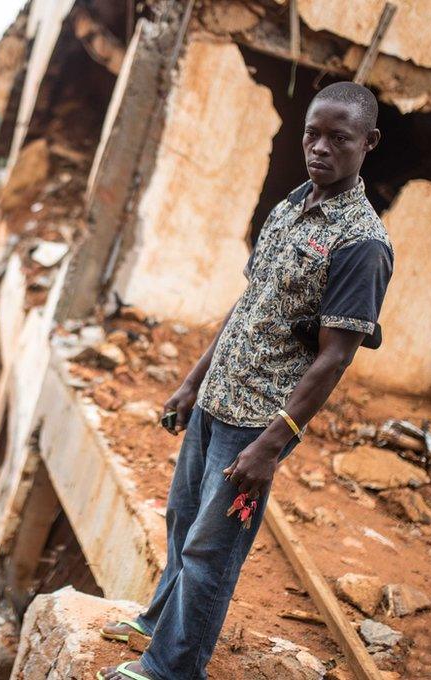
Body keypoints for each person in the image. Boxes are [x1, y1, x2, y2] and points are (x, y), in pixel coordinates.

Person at [96, 81, 395, 680]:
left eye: (339, 139)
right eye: (312, 134)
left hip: (256, 423)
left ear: (369, 143)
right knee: (182, 524)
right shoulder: (290, 206)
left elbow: (335, 357)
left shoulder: (362, 243)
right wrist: (190, 383)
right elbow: (249, 303)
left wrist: (271, 443)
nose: (320, 148)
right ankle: (158, 622)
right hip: (216, 400)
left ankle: (171, 669)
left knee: (212, 552)